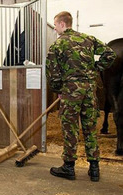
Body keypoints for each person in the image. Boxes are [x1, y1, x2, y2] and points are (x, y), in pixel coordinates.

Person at [46, 11, 116, 182]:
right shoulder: (88, 39)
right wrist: (95, 68)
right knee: (90, 128)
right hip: (90, 91)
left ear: (62, 24)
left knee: (70, 128)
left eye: (55, 25)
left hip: (70, 92)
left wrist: (58, 90)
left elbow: (52, 73)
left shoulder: (58, 45)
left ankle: (68, 167)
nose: (55, 29)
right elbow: (110, 54)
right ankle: (94, 169)